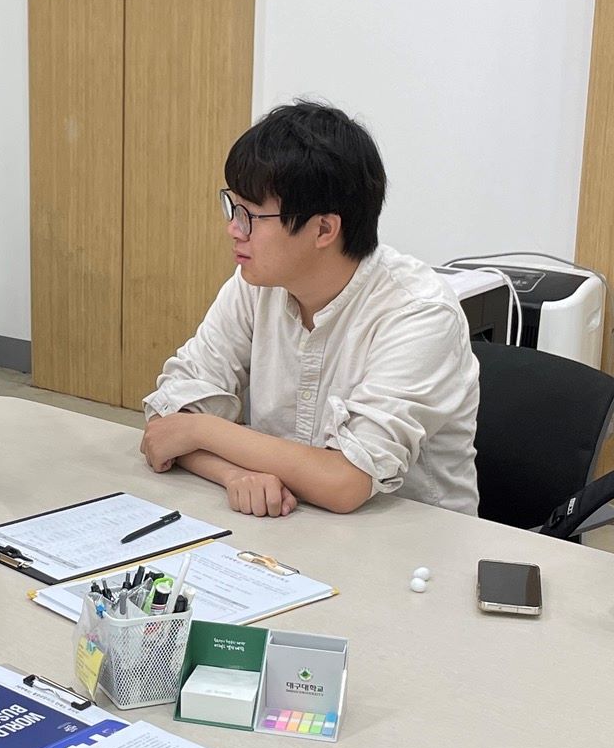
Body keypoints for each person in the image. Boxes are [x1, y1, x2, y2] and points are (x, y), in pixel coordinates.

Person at [140, 100, 479, 518]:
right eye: (233, 207)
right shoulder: (256, 284)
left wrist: (203, 430)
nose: (233, 229)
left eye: (250, 215)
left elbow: (345, 482)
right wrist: (233, 475)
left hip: (410, 539)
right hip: (290, 524)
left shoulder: (419, 313)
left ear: (323, 229)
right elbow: (166, 424)